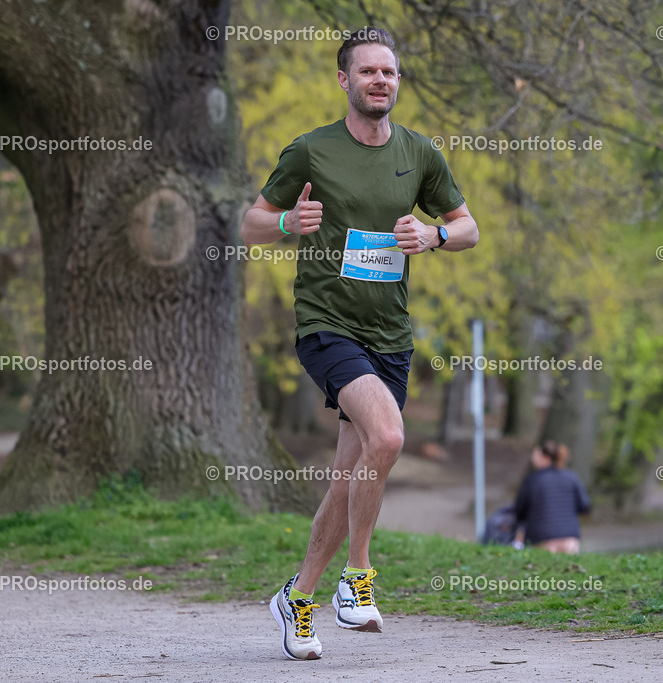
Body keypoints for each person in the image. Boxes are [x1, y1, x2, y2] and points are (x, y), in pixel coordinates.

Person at [239, 27, 479, 661]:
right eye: (369, 71)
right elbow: (250, 223)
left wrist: (431, 238)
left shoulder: (420, 154)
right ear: (344, 80)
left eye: (390, 73)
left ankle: (299, 596)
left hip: (390, 333)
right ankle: (359, 578)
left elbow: (468, 226)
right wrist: (289, 220)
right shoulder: (311, 151)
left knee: (350, 474)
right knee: (392, 437)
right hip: (328, 325)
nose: (381, 81)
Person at [513, 441, 591, 554]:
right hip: (570, 539)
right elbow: (585, 505)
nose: (532, 459)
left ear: (545, 457)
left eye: (535, 455)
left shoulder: (532, 480)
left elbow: (520, 510)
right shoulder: (572, 478)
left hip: (541, 538)